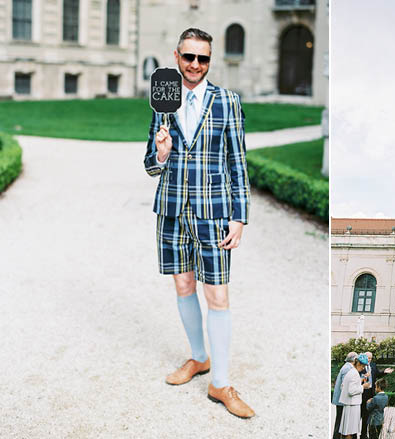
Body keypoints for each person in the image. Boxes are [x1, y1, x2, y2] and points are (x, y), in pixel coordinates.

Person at [144, 27, 253, 418]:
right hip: (172, 209)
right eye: (188, 57)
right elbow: (149, 165)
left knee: (218, 296)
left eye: (202, 58)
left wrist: (239, 216)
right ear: (177, 57)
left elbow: (237, 162)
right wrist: (160, 153)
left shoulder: (228, 101)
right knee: (183, 285)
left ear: (210, 60)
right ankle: (198, 358)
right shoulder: (164, 101)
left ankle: (221, 383)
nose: (195, 65)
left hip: (213, 212)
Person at [359, 352, 393, 439]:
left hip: (371, 393)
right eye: (368, 358)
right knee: (360, 414)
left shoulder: (373, 365)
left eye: (370, 358)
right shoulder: (360, 366)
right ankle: (357, 433)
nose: (369, 360)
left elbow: (377, 374)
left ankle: (365, 434)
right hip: (362, 393)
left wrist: (384, 372)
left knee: (368, 415)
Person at [339, 354, 371, 439]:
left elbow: (343, 386)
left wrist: (359, 381)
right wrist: (363, 386)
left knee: (347, 430)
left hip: (350, 404)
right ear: (359, 364)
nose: (363, 368)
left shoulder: (351, 372)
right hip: (352, 405)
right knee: (349, 431)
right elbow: (351, 391)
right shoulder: (354, 373)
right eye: (363, 366)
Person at [333, 352, 358, 439]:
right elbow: (345, 385)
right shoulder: (348, 368)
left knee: (340, 422)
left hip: (341, 400)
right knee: (340, 422)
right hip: (342, 401)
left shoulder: (347, 367)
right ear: (354, 360)